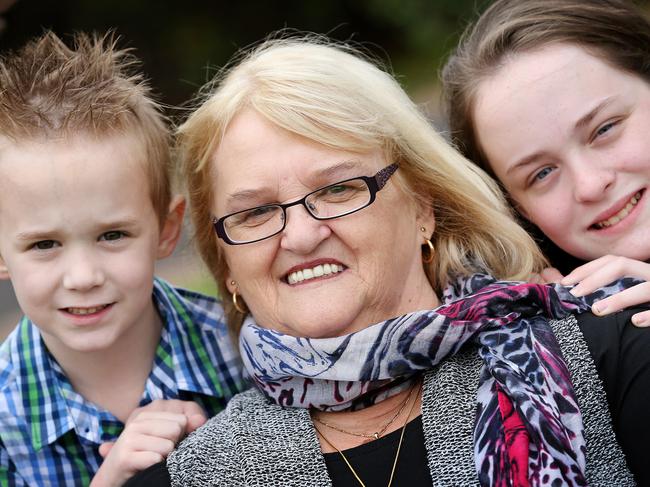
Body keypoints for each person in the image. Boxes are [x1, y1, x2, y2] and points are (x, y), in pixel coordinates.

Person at [124, 36, 650, 486]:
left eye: (337, 188)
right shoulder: (193, 472)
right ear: (227, 263)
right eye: (256, 213)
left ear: (422, 207)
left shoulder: (607, 351)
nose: (302, 236)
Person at [0, 32, 246, 486]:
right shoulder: (4, 419)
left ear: (167, 230)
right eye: (43, 245)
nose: (83, 277)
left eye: (112, 235)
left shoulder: (244, 354)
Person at [441, 0, 650, 326]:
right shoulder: (539, 335)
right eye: (542, 173)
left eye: (604, 129)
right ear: (518, 209)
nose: (590, 184)